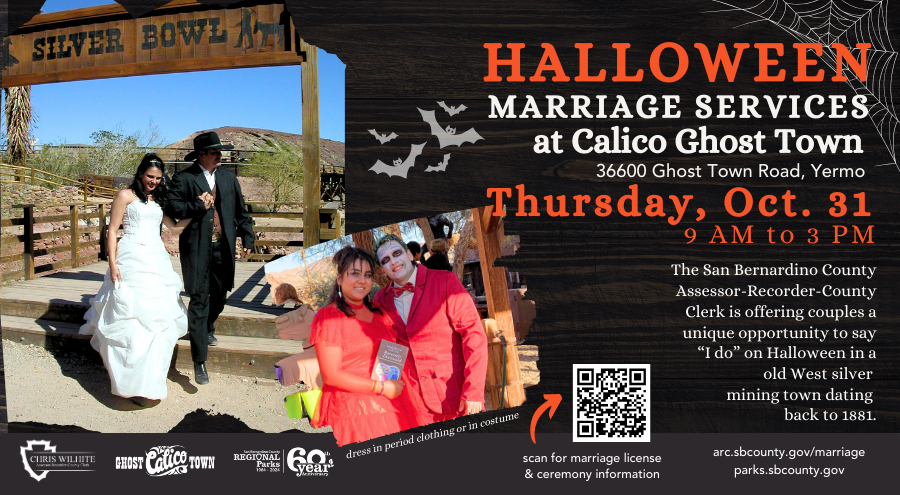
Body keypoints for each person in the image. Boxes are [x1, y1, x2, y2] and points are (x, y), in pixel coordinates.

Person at [80, 154, 192, 406]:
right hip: (130, 256)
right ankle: (127, 382)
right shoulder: (124, 196)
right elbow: (112, 230)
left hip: (155, 258)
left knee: (157, 322)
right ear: (141, 173)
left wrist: (199, 210)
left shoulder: (159, 200)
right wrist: (112, 263)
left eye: (158, 178)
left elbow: (174, 227)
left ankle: (148, 383)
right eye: (150, 176)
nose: (153, 181)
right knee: (130, 320)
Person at [309, 246, 426, 446]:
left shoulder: (380, 312)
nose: (362, 280)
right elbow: (331, 375)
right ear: (339, 279)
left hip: (393, 398)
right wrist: (380, 388)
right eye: (354, 274)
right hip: (356, 407)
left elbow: (393, 351)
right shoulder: (329, 317)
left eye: (367, 274)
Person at [165, 131, 255, 385]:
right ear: (201, 154)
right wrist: (198, 205)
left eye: (220, 151)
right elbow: (172, 209)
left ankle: (208, 327)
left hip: (222, 248)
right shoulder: (184, 179)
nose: (220, 155)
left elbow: (240, 210)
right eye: (215, 151)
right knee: (198, 298)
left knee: (221, 293)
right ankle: (199, 360)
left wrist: (248, 236)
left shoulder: (228, 178)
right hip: (196, 249)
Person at [373, 234, 487, 422]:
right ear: (382, 270)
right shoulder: (380, 300)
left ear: (409, 254)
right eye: (386, 260)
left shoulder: (445, 281)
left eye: (397, 253)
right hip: (412, 402)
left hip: (454, 395)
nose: (393, 261)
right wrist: (386, 393)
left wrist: (474, 391)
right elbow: (389, 349)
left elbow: (474, 336)